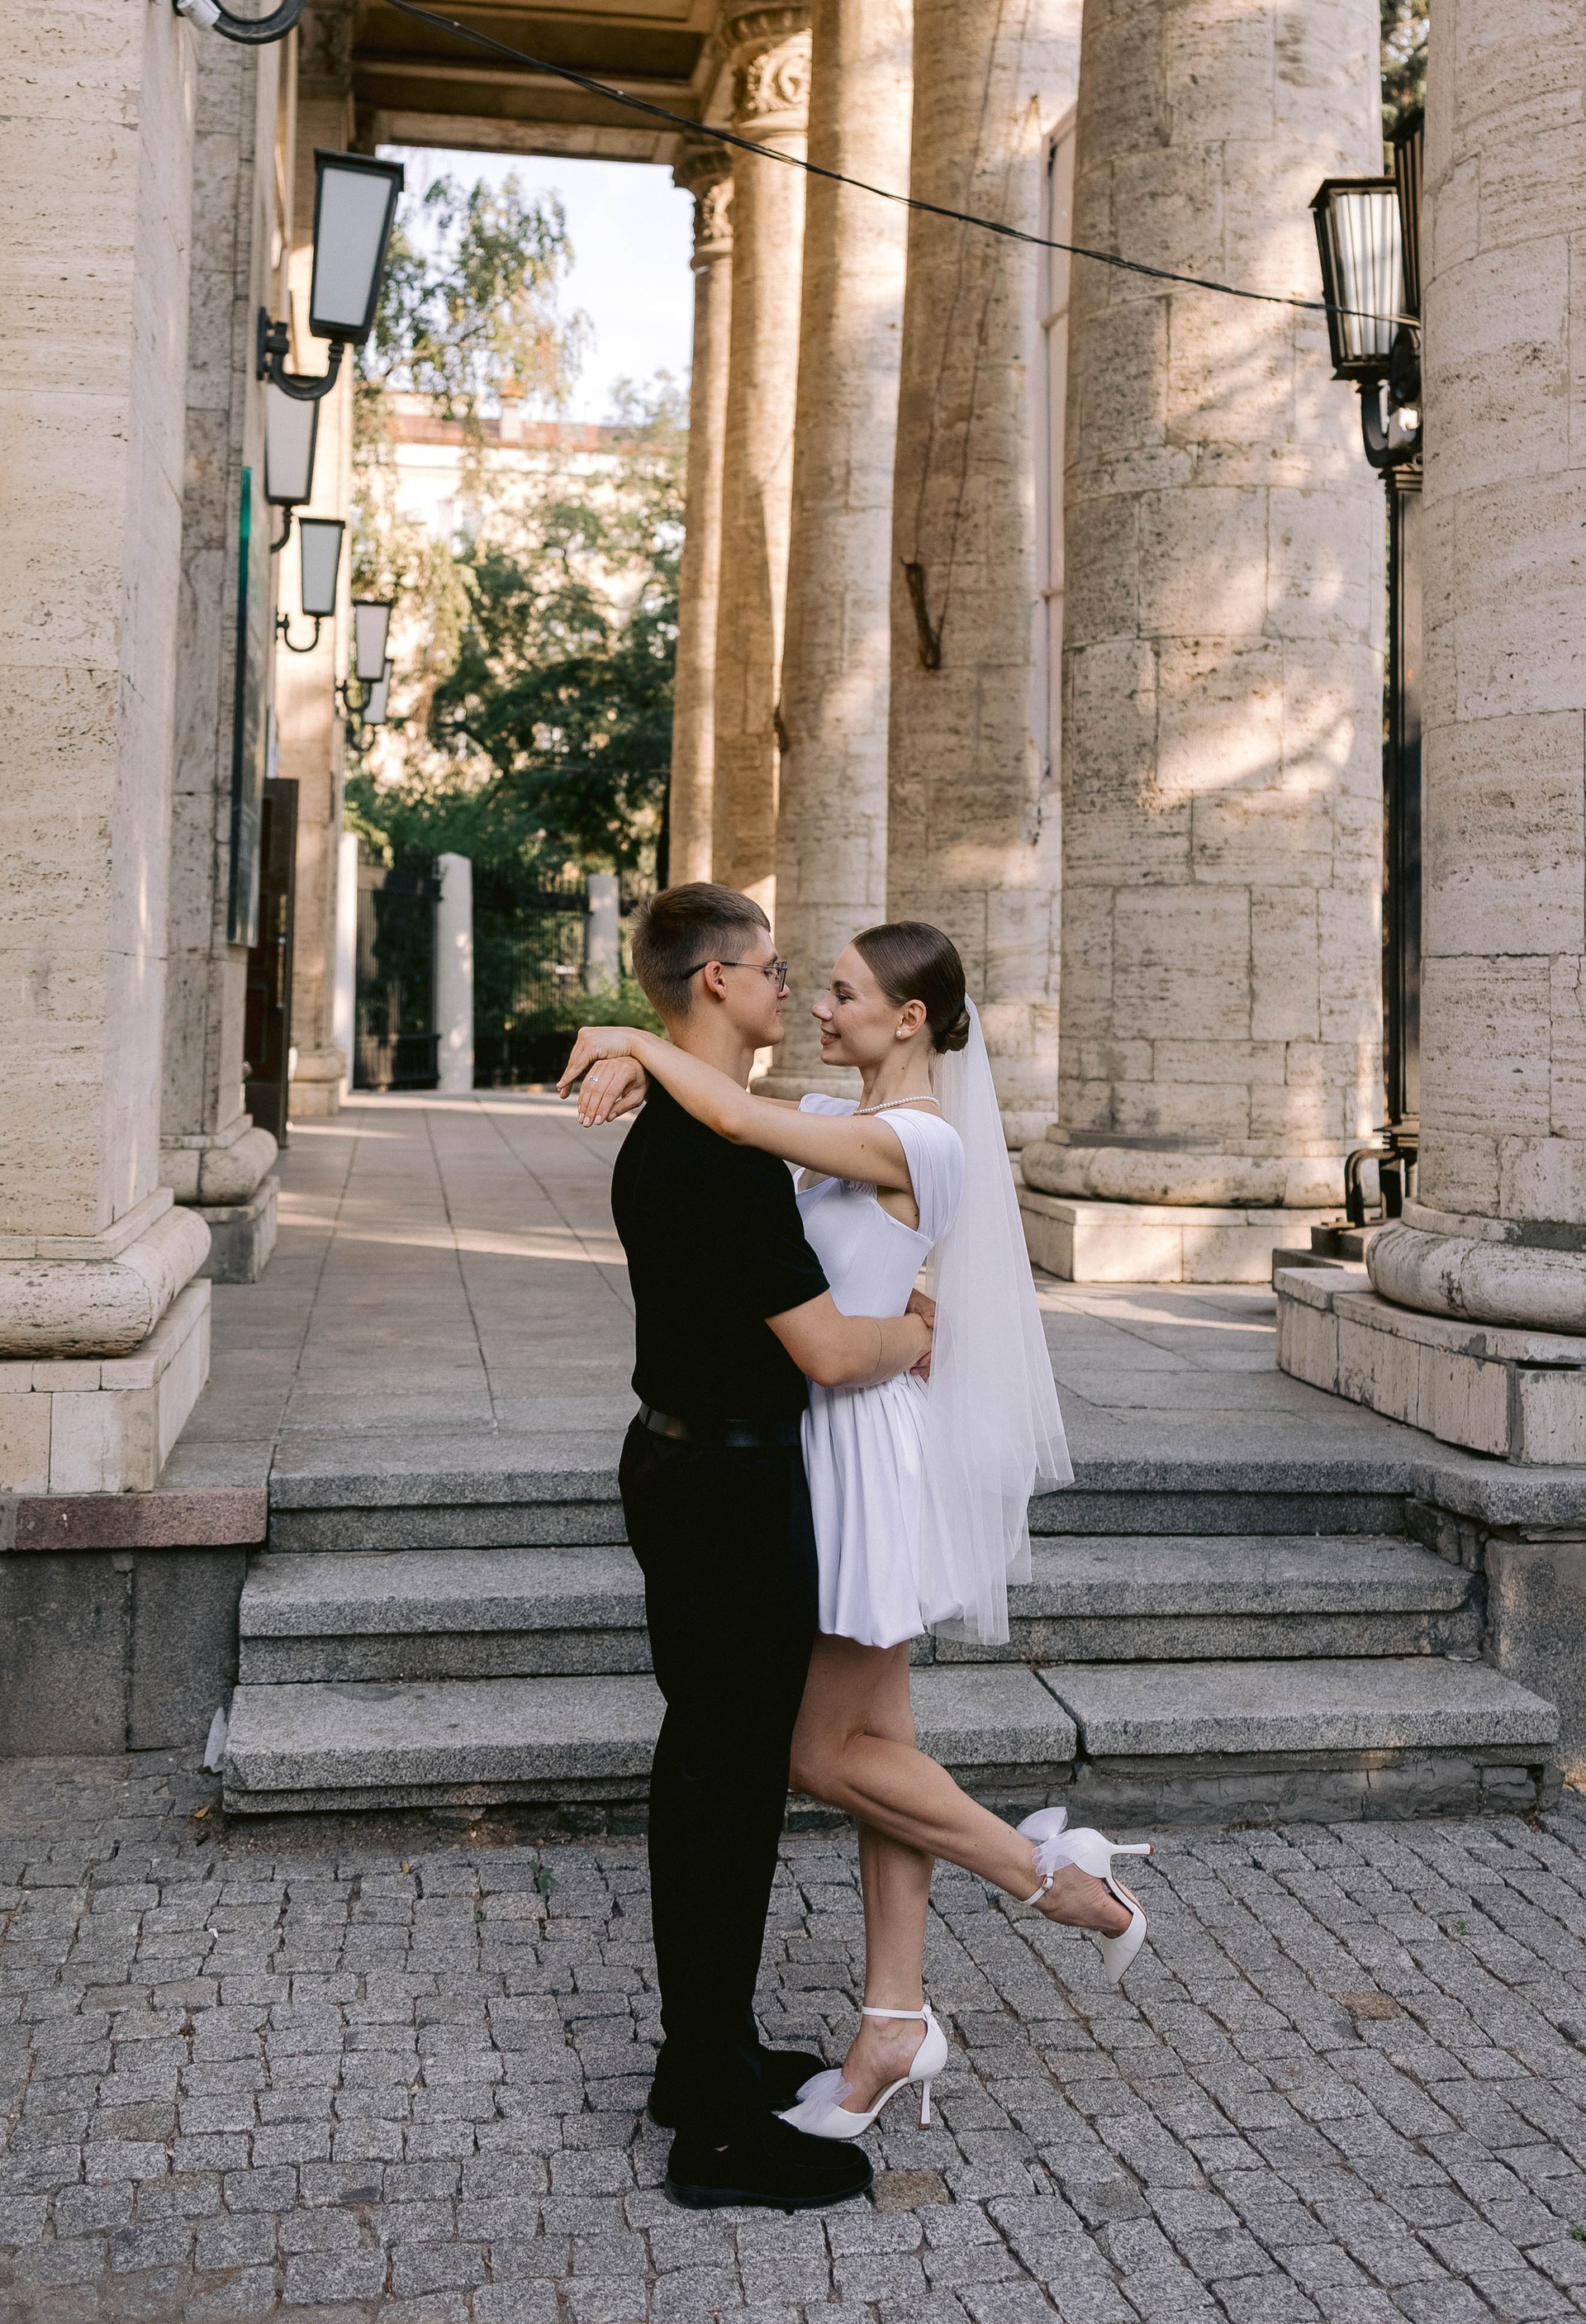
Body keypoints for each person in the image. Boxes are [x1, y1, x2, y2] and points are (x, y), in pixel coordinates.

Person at [563, 913, 1154, 2152]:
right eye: (805, 983)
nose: (817, 1007)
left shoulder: (917, 1137)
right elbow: (739, 1119)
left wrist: (636, 1039)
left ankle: (1048, 1877)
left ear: (910, 1018)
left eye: (839, 991)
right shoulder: (840, 1109)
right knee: (878, 1743)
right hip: (811, 1442)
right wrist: (640, 1050)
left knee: (822, 1752)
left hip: (854, 1449)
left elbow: (734, 1118)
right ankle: (895, 2014)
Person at [604, 882, 936, 2215]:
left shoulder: (683, 1127)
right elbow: (831, 1352)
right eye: (774, 969)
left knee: (711, 1774)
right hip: (728, 1492)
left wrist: (629, 1051)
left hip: (684, 1464)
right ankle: (718, 2132)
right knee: (727, 1794)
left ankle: (707, 2062)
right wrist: (917, 1332)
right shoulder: (720, 1156)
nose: (790, 989)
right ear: (718, 984)